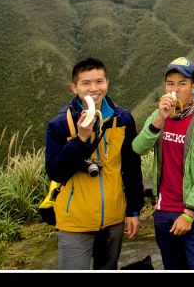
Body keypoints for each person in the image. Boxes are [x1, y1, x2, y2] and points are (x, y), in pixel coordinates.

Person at [45, 57, 144, 270]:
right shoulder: (61, 124)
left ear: (107, 82)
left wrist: (133, 211)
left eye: (99, 82)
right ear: (74, 87)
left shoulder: (122, 118)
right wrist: (80, 138)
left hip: (113, 218)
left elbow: (132, 167)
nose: (94, 89)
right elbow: (55, 172)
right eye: (86, 83)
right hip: (75, 222)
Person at [133, 57, 194, 270]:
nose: (175, 89)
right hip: (164, 210)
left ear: (193, 88)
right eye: (170, 83)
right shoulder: (158, 116)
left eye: (182, 83)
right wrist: (159, 121)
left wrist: (189, 212)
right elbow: (138, 148)